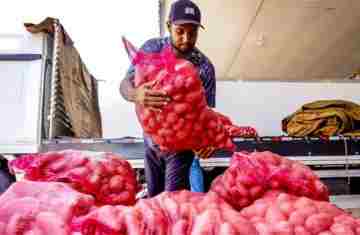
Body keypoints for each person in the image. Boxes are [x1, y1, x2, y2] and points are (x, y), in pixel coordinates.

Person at [120, 0, 216, 197]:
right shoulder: (151, 48)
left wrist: (208, 139)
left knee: (172, 200)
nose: (186, 39)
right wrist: (136, 94)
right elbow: (124, 85)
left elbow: (207, 115)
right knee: (154, 196)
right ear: (168, 26)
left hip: (182, 146)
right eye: (180, 31)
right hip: (150, 142)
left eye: (193, 32)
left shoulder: (204, 67)